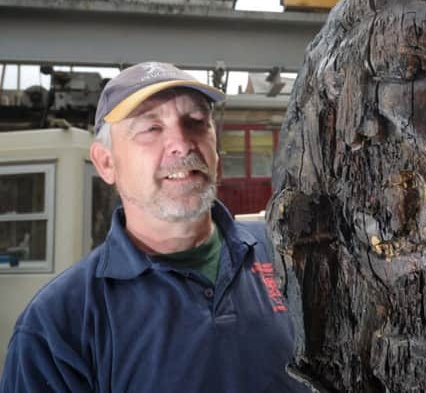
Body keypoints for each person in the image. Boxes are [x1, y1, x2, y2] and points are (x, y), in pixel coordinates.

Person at [0, 62, 309, 393]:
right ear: (106, 162)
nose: (182, 143)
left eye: (196, 122)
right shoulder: (58, 324)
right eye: (150, 128)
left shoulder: (286, 251)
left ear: (216, 151)